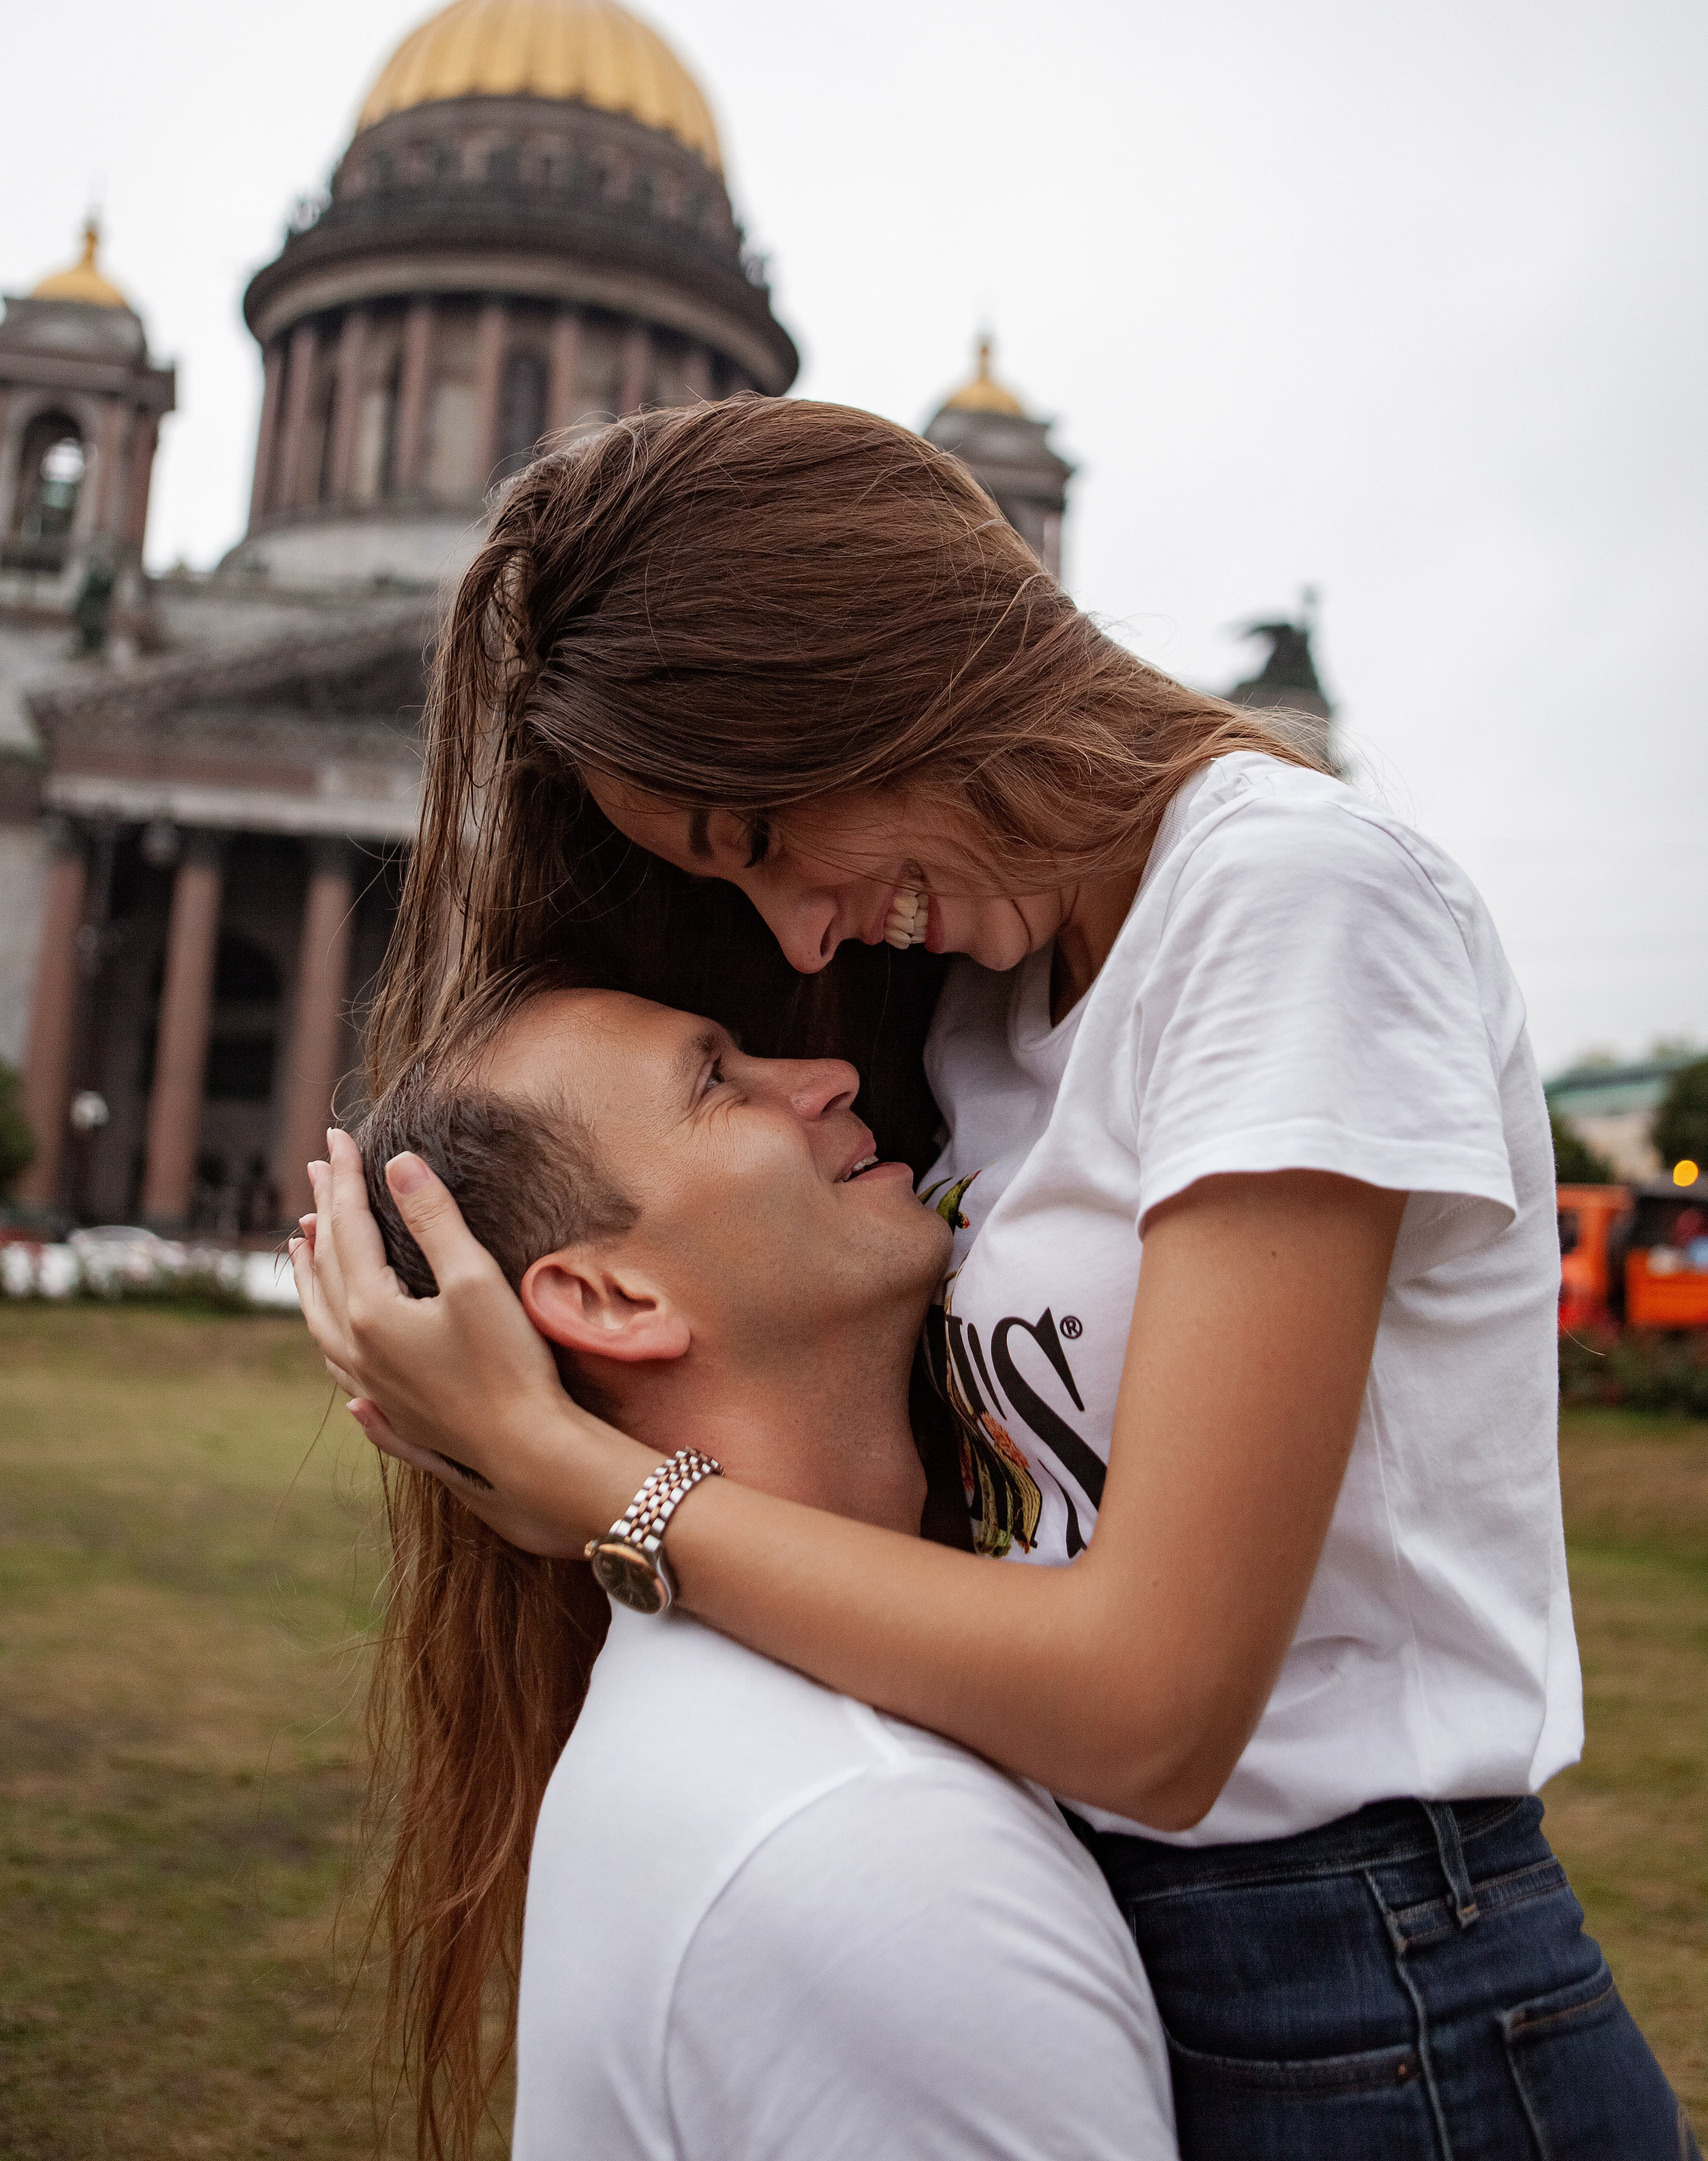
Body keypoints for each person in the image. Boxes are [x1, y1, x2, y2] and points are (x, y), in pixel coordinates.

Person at [302, 398, 1697, 2160]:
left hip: (1377, 2000)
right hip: (1111, 1926)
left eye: (754, 839)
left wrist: (589, 1478)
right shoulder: (987, 1005)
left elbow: (1158, 1707)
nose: (801, 941)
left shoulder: (1287, 903)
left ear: (865, 672)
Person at [322, 965, 1177, 2161]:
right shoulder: (879, 1851)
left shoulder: (711, 1724)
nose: (830, 1078)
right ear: (612, 1298)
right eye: (720, 1083)